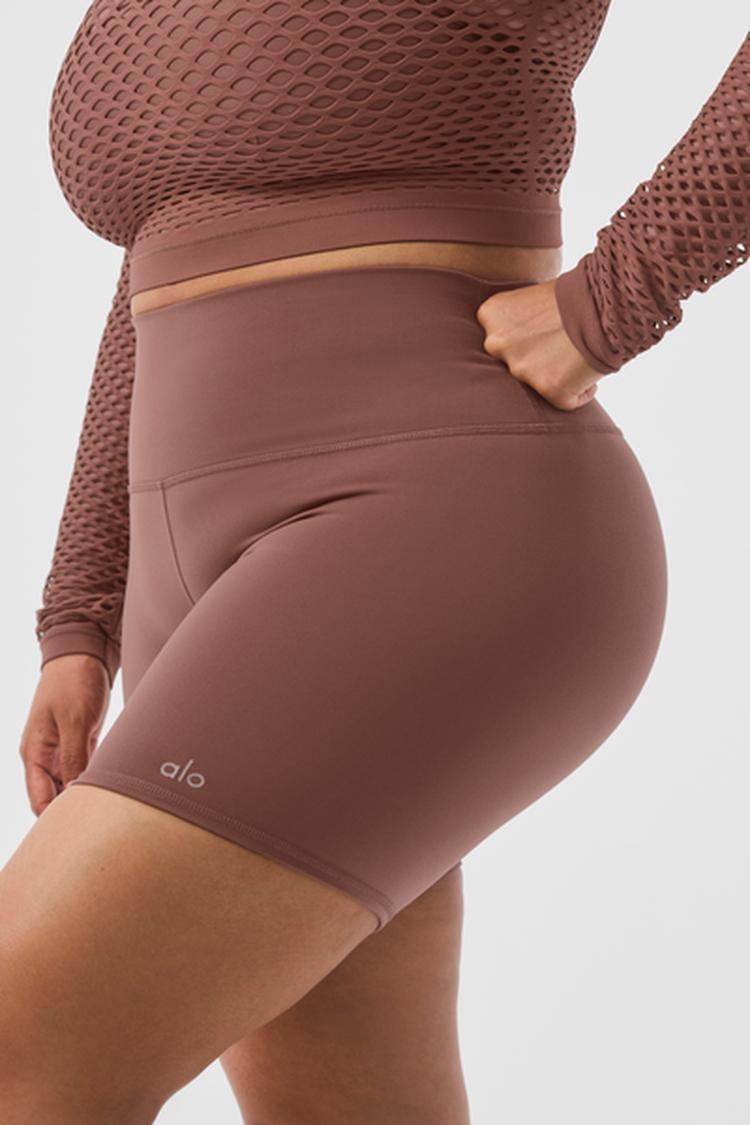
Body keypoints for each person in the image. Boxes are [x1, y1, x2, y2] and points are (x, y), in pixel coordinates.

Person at [2, 1, 747, 1119]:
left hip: (418, 516)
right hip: (200, 584)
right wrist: (83, 608)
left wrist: (618, 296)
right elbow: (171, 228)